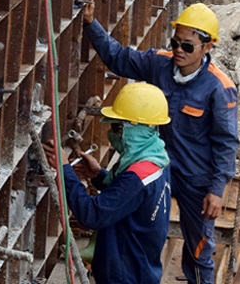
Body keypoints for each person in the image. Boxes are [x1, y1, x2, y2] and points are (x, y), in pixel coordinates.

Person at [82, 0, 239, 283]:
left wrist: (217, 190)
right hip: (157, 169)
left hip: (195, 179)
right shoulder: (160, 64)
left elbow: (226, 143)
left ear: (207, 47)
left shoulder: (220, 88)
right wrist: (91, 23)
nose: (178, 50)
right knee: (141, 232)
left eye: (187, 46)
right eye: (175, 42)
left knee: (199, 249)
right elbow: (118, 57)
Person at [46, 82, 172, 284]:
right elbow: (130, 198)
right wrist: (99, 176)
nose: (112, 133)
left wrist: (64, 170)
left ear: (134, 128)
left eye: (117, 127)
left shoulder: (137, 177)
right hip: (141, 270)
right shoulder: (157, 159)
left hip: (125, 277)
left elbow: (92, 214)